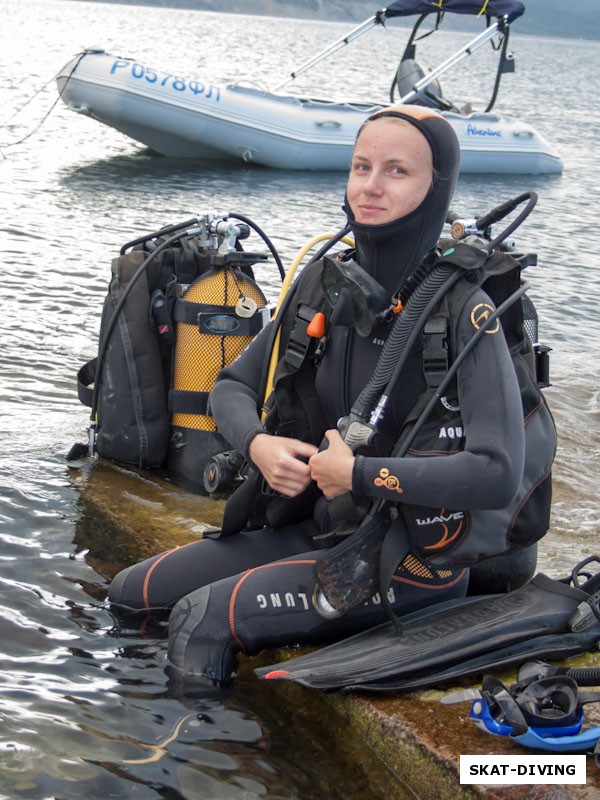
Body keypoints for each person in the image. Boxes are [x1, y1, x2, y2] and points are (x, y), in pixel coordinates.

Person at [108, 105, 527, 685]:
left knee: (202, 621)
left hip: (412, 559)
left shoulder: (462, 310)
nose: (370, 186)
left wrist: (360, 474)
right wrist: (259, 446)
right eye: (361, 166)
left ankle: (196, 773)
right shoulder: (324, 285)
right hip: (322, 530)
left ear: (437, 187)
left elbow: (498, 471)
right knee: (132, 592)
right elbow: (229, 386)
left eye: (397, 171)